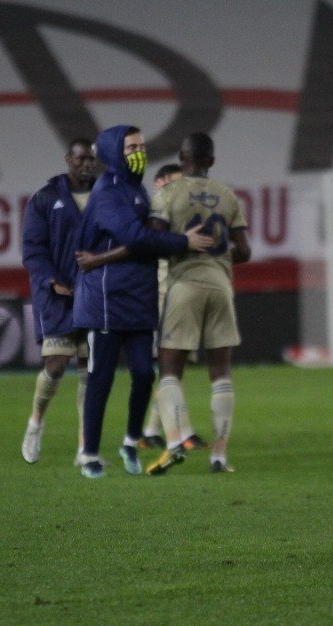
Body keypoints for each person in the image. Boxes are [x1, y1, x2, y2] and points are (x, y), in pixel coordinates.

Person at [72, 125, 213, 479]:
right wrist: (182, 242)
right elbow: (135, 236)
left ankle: (130, 442)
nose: (139, 152)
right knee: (100, 378)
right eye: (131, 146)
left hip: (138, 296)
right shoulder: (108, 191)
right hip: (106, 297)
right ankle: (89, 453)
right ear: (114, 151)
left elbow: (145, 239)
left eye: (141, 146)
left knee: (142, 373)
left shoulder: (136, 189)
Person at [143, 132, 252, 475]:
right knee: (220, 373)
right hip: (221, 286)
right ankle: (218, 457)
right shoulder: (228, 195)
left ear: (181, 156)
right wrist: (217, 253)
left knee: (170, 371)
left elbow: (153, 241)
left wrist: (182, 244)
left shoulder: (168, 193)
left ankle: (174, 442)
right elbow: (245, 252)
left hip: (183, 286)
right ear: (212, 161)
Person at [20, 138, 97, 465]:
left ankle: (84, 447)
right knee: (55, 365)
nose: (85, 165)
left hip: (94, 295)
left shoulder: (106, 195)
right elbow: (33, 249)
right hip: (57, 296)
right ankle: (36, 422)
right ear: (68, 159)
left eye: (91, 160)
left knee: (89, 370)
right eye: (80, 159)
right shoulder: (45, 198)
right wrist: (52, 281)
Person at [138, 164, 184, 450]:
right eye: (174, 184)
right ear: (159, 182)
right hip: (158, 290)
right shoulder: (148, 212)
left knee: (177, 362)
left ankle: (156, 429)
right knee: (168, 362)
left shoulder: (178, 210)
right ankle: (167, 431)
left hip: (180, 289)